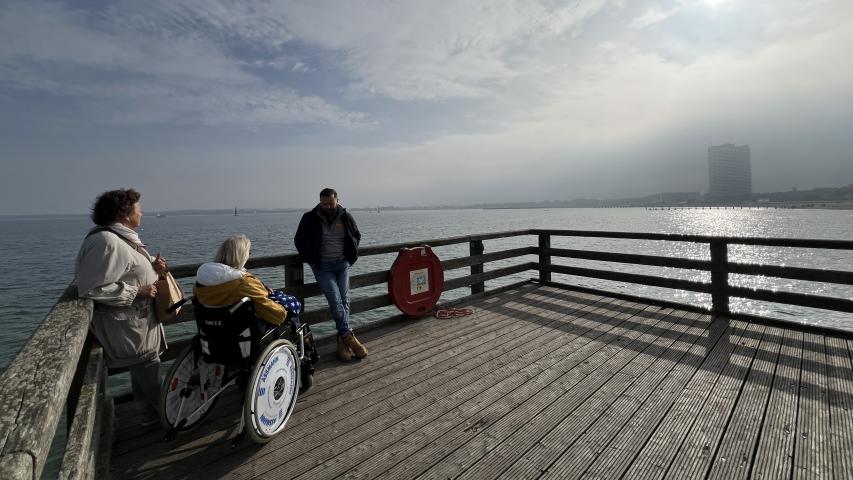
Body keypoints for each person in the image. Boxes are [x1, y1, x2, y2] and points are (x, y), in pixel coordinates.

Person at [75, 188, 168, 412]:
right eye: (138, 209)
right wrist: (136, 292)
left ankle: (148, 414)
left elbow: (127, 268)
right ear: (125, 215)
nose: (142, 213)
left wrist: (153, 268)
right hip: (129, 326)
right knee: (150, 373)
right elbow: (92, 288)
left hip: (137, 324)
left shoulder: (118, 237)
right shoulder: (106, 241)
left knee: (142, 370)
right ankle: (170, 414)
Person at [294, 187, 368, 362]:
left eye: (331, 203)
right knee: (335, 300)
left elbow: (356, 236)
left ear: (337, 201)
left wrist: (350, 257)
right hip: (323, 267)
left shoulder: (346, 216)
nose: (327, 206)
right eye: (324, 203)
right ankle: (349, 337)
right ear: (320, 201)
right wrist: (312, 260)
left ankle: (342, 341)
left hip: (342, 264)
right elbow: (299, 240)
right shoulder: (309, 218)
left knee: (345, 300)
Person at [193, 234, 288, 326]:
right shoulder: (244, 283)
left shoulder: (200, 282)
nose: (249, 255)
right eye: (249, 252)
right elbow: (278, 316)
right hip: (239, 331)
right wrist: (284, 307)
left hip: (209, 330)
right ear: (242, 256)